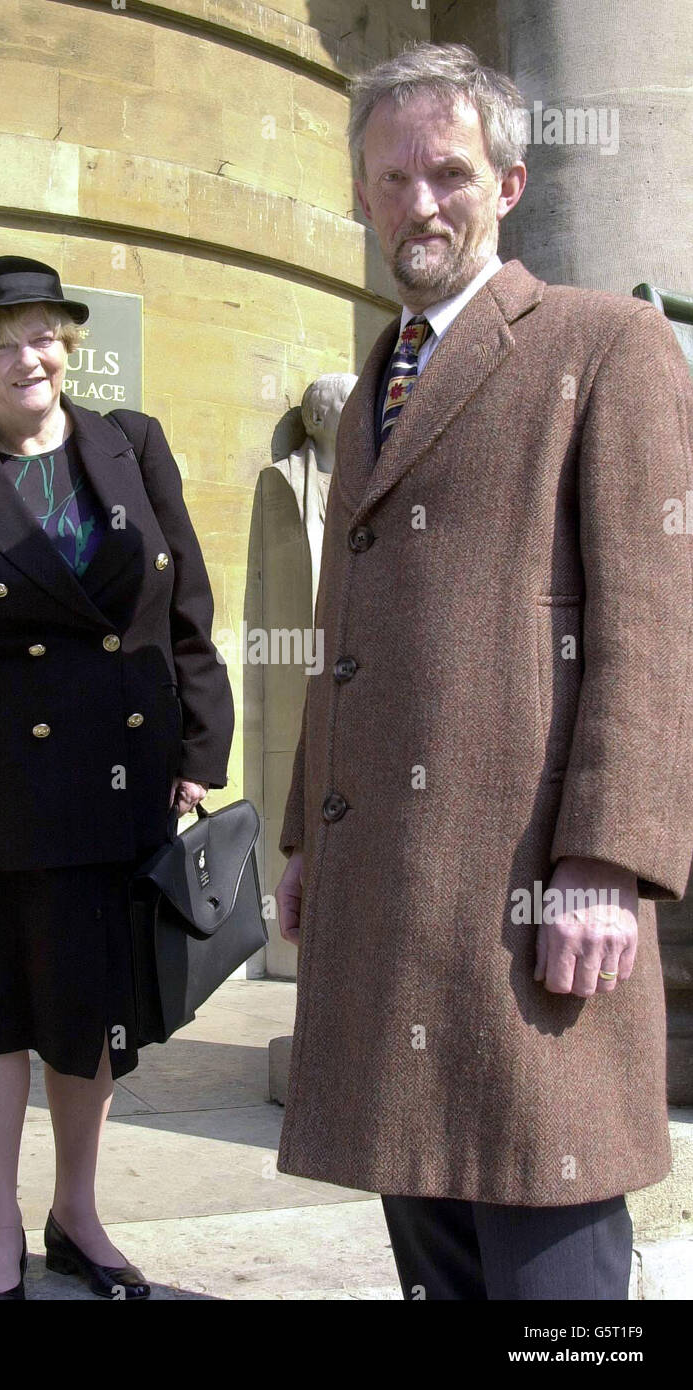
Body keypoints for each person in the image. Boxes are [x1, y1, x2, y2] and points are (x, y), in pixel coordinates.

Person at [274, 42, 693, 1300]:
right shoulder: (370, 392)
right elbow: (338, 632)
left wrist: (605, 863)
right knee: (434, 1259)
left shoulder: (604, 343)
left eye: (447, 172)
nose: (419, 203)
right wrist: (305, 838)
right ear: (360, 194)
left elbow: (652, 626)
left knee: (552, 1275)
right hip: (391, 900)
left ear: (506, 184)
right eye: (391, 178)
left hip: (531, 909)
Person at [0, 255, 235, 1299]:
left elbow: (188, 613)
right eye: (0, 341)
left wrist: (199, 755)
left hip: (118, 779)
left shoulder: (132, 445)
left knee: (87, 1017)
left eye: (43, 335)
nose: (27, 355)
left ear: (68, 346)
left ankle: (77, 1211)